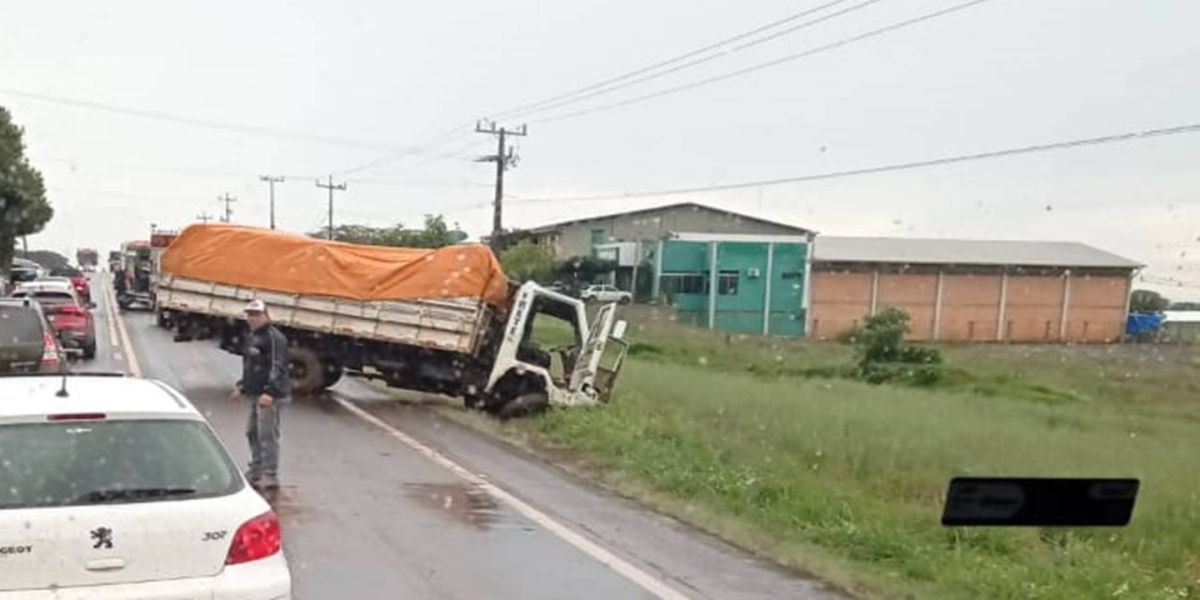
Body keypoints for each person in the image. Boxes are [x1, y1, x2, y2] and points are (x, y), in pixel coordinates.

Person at [231, 299, 291, 490]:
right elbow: (251, 366)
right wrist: (242, 385)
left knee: (267, 434)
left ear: (266, 315)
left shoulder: (274, 338)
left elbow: (277, 366)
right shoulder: (252, 336)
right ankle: (256, 468)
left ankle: (270, 474)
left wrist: (270, 391)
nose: (252, 318)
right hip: (255, 393)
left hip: (270, 395)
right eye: (249, 314)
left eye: (256, 315)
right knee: (252, 432)